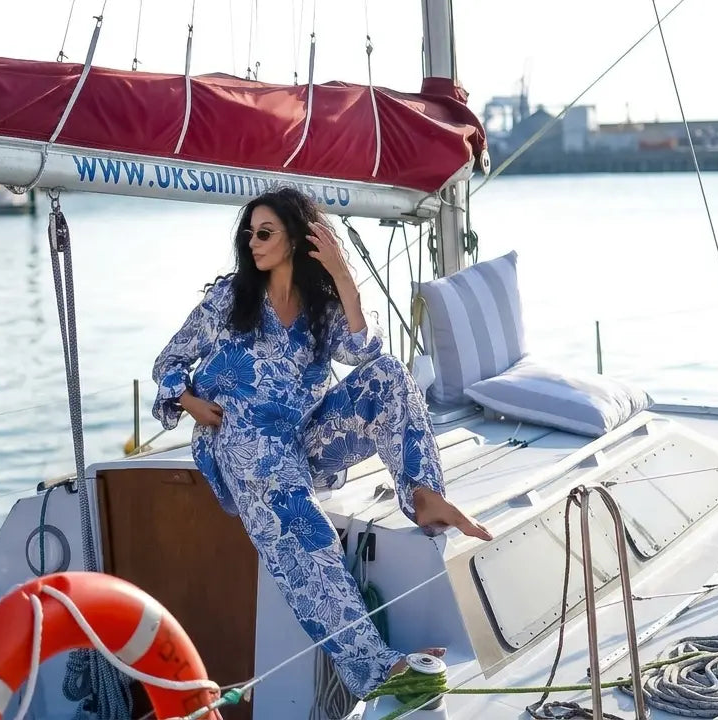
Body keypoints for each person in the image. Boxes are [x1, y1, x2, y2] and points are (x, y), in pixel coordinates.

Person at [151, 186, 493, 698]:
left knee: (389, 376)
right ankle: (373, 668)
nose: (253, 242)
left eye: (265, 232)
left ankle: (423, 497)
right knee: (299, 522)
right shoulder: (228, 299)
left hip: (300, 440)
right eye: (249, 233)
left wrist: (342, 276)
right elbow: (167, 363)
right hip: (238, 439)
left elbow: (365, 348)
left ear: (297, 238)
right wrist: (190, 401)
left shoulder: (321, 308)